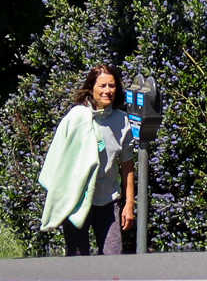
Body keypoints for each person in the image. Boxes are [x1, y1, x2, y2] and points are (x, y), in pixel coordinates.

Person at [38, 64, 136, 256]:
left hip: (108, 200)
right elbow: (59, 160)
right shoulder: (76, 118)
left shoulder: (122, 121)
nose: (108, 90)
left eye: (112, 85)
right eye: (102, 86)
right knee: (77, 260)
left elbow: (127, 165)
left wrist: (129, 203)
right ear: (91, 88)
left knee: (113, 257)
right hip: (77, 198)